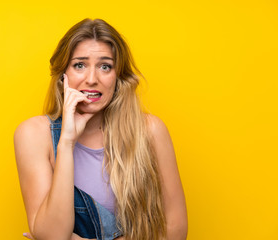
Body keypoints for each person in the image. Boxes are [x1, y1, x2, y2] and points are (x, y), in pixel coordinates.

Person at [14, 18, 187, 240]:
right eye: (80, 65)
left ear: (118, 77)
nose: (92, 79)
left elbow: (175, 231)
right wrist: (66, 142)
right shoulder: (34, 134)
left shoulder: (150, 131)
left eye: (105, 66)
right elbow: (53, 236)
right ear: (62, 75)